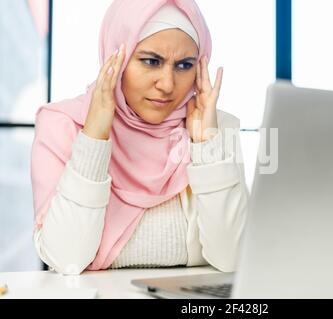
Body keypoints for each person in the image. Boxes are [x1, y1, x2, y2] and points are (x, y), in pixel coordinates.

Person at [31, 0, 249, 275]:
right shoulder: (62, 125)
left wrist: (206, 145)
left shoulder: (215, 128)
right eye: (151, 61)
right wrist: (95, 138)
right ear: (116, 59)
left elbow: (232, 258)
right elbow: (66, 259)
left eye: (184, 65)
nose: (168, 84)